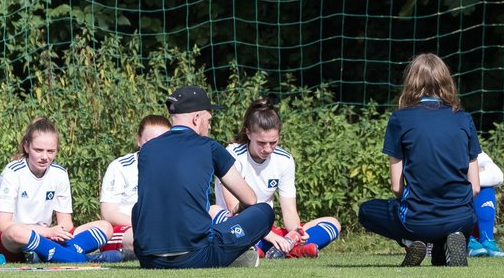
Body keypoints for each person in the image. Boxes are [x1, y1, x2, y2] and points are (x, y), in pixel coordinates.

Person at [357, 53, 480, 267]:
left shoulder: (400, 119)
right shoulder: (463, 118)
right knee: (441, 256)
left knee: (366, 211)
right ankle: (448, 241)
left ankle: (412, 240)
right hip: (461, 216)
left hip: (418, 219)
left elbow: (396, 186)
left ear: (411, 82)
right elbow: (476, 187)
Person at [132, 85, 274, 268]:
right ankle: (233, 256)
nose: (209, 125)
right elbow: (250, 198)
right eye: (209, 119)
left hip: (149, 259)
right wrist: (237, 212)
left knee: (139, 207)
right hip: (195, 256)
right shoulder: (209, 147)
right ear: (196, 118)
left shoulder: (147, 150)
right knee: (263, 212)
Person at [214, 98, 341, 259]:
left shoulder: (284, 160)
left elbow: (289, 211)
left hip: (266, 231)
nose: (267, 149)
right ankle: (287, 251)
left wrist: (295, 233)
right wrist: (271, 236)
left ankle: (285, 248)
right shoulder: (231, 155)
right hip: (237, 226)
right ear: (248, 133)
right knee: (215, 212)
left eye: (273, 142)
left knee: (333, 223)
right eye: (261, 142)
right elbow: (234, 208)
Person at [0, 117, 114, 263]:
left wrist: (57, 232)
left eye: (51, 151)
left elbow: (66, 222)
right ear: (26, 146)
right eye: (38, 150)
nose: (45, 157)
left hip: (46, 237)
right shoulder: (12, 172)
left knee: (105, 227)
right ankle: (77, 257)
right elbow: (3, 225)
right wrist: (48, 232)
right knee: (16, 232)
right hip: (12, 241)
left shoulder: (59, 173)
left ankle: (46, 254)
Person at [98, 114, 172, 259]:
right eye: (150, 142)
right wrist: (145, 224)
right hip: (124, 229)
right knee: (149, 238)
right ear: (139, 140)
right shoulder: (120, 167)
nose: (157, 148)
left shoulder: (174, 169)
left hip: (160, 229)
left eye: (163, 142)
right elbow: (109, 212)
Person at [468, 151, 504, 257]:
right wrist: (473, 174)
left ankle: (487, 241)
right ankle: (463, 239)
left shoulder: (469, 146)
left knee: (486, 188)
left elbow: (496, 175)